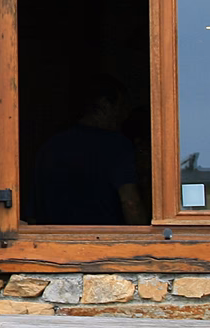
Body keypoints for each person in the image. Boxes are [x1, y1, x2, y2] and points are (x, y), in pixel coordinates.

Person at [32, 76, 147, 226]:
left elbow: (33, 214)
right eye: (121, 107)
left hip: (55, 244)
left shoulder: (50, 147)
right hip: (105, 243)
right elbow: (131, 203)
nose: (124, 116)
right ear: (105, 105)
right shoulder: (116, 145)